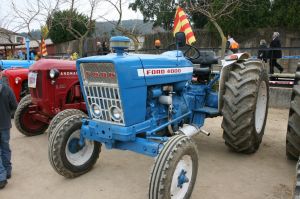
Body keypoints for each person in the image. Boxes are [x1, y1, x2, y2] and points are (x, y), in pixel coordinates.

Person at [0, 71, 18, 189]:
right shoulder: (7, 90)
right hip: (5, 125)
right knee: (5, 148)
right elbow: (15, 106)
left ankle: (2, 177)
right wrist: (7, 114)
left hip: (5, 125)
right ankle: (7, 170)